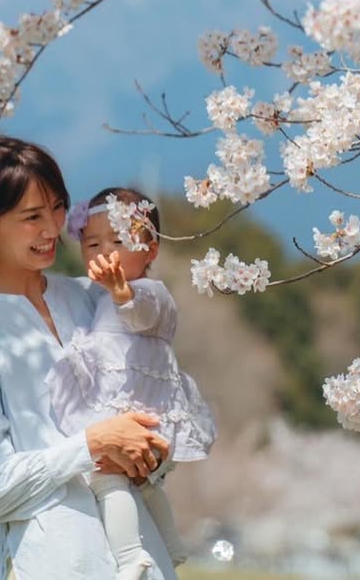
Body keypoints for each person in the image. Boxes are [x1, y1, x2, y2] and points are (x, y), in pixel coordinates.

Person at [0, 137, 178, 580]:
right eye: (31, 217)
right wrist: (91, 446)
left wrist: (153, 453)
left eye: (58, 208)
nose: (52, 228)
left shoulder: (93, 297)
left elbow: (155, 384)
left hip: (142, 559)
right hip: (58, 561)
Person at [48, 187, 216, 580]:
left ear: (151, 249)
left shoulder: (150, 293)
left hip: (134, 407)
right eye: (92, 243)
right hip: (121, 404)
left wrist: (122, 291)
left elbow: (140, 315)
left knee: (105, 478)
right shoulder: (98, 294)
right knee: (140, 483)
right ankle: (171, 543)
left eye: (120, 240)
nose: (105, 251)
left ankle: (130, 556)